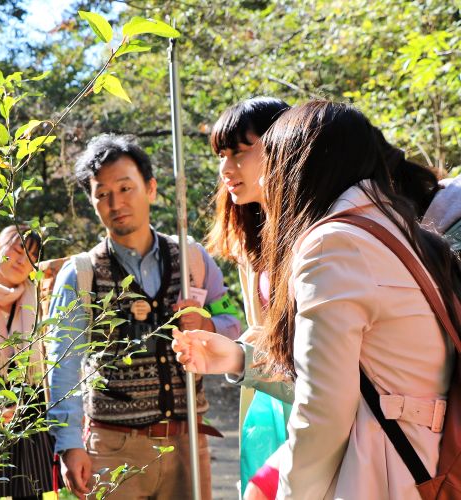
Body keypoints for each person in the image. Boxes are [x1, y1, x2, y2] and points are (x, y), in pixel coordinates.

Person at [174, 101, 460, 498]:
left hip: (383, 469)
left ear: (303, 164)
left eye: (274, 160)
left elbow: (324, 408)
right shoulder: (397, 230)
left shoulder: (332, 244)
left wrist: (292, 493)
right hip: (426, 458)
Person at [46, 134, 241, 500]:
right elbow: (63, 363)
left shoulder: (192, 259)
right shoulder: (82, 273)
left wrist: (210, 326)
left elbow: (234, 321)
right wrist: (69, 444)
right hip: (113, 447)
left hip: (187, 443)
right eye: (102, 194)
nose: (115, 203)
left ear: (150, 189)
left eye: (125, 188)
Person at [205, 97, 290, 498]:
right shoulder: (251, 239)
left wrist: (238, 356)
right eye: (222, 155)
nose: (226, 169)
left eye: (239, 152)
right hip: (268, 405)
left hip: (316, 412)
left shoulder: (320, 234)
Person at [0, 225, 55, 500]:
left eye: (32, 255)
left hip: (29, 407)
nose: (23, 260)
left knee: (32, 490)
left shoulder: (38, 298)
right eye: (18, 250)